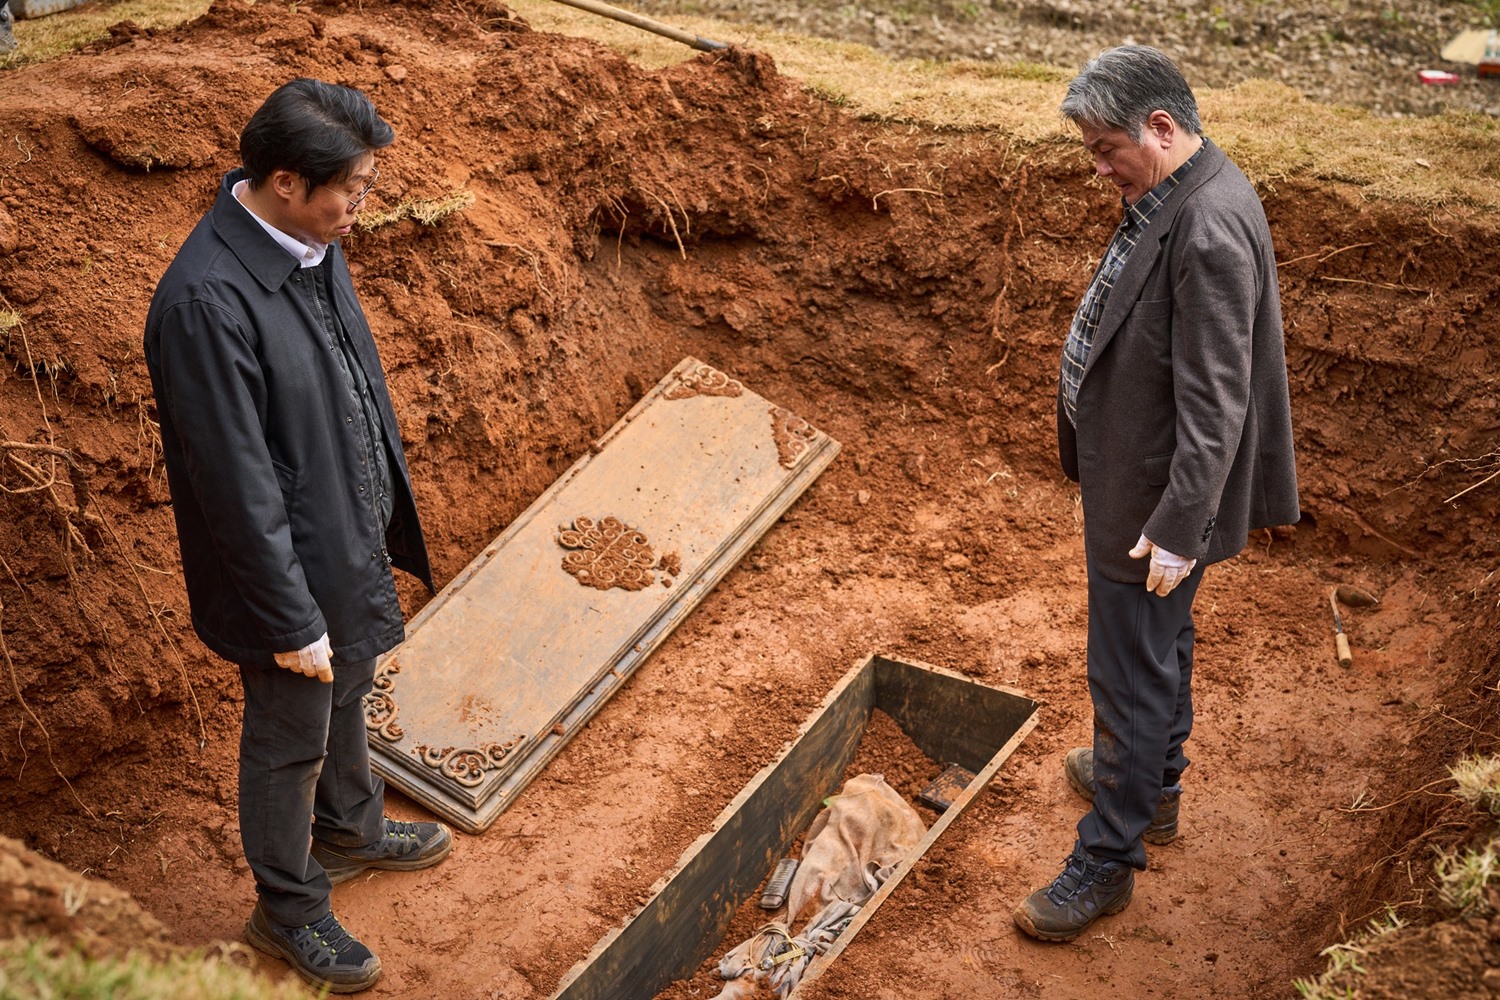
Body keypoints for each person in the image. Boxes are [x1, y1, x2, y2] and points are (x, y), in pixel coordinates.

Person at [144, 79, 452, 993]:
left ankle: (352, 831)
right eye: (351, 188)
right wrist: (288, 620)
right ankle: (289, 908)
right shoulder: (206, 302)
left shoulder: (309, 242)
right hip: (284, 573)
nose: (364, 203)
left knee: (349, 685)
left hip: (341, 530)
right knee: (289, 734)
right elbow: (234, 487)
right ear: (284, 180)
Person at [1012, 45, 1300, 943]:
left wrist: (1177, 529)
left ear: (1162, 129)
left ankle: (1109, 857)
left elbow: (1217, 399)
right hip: (1148, 487)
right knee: (1157, 646)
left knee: (1129, 671)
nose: (1098, 168)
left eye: (1106, 149)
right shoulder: (1185, 189)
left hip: (1153, 506)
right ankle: (1154, 787)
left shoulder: (1206, 226)